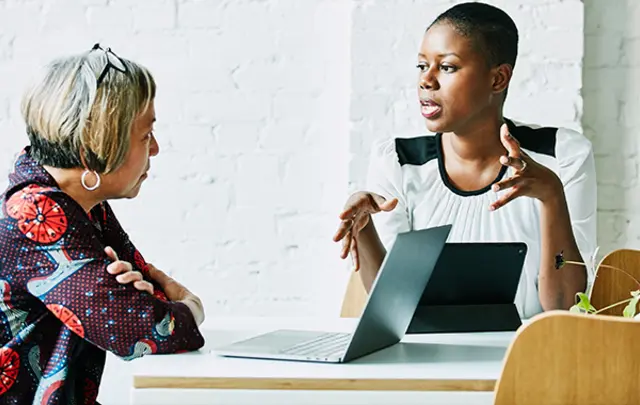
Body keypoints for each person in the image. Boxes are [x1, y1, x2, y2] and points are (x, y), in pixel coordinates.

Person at [333, 2, 597, 319]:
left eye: (447, 67)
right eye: (421, 66)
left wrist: (552, 195)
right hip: (426, 362)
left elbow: (565, 307)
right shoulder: (398, 162)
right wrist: (364, 230)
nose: (426, 81)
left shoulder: (561, 156)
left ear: (498, 79)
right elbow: (394, 309)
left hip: (528, 358)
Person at [0, 44, 205, 404]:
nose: (155, 148)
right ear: (96, 144)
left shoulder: (80, 204)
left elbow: (145, 295)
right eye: (145, 135)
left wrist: (147, 302)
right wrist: (191, 306)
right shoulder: (36, 214)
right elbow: (143, 330)